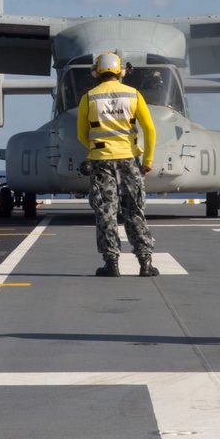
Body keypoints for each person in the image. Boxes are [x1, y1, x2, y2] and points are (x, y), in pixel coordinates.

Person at [77, 52, 159, 277]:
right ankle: (145, 263)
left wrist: (96, 147)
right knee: (134, 209)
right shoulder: (133, 94)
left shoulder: (89, 97)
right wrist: (147, 160)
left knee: (106, 210)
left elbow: (81, 134)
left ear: (97, 72)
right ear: (120, 71)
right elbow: (150, 130)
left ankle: (111, 263)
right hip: (129, 159)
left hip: (101, 160)